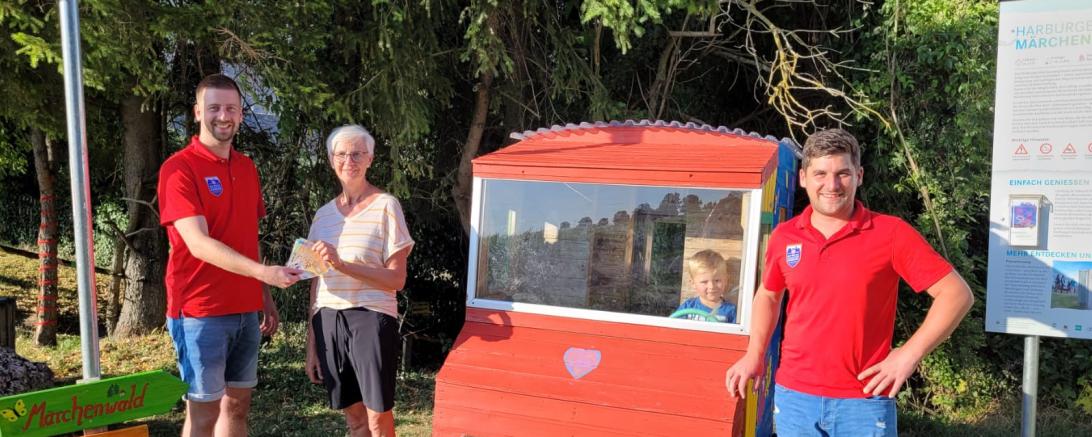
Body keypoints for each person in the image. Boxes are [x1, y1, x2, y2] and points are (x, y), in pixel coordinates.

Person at [724, 129, 973, 436]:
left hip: (864, 400)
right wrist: (754, 355)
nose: (832, 185)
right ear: (803, 178)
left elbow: (956, 294)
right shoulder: (784, 236)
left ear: (859, 176)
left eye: (842, 173)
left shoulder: (891, 233)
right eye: (820, 174)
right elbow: (769, 295)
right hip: (795, 397)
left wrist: (908, 355)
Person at [158, 73, 303, 436]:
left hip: (245, 309)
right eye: (214, 108)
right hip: (200, 311)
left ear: (240, 115)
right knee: (203, 413)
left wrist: (264, 296)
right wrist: (265, 274)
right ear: (197, 112)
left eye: (231, 108)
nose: (223, 116)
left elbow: (249, 238)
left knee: (237, 409)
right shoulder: (178, 168)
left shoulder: (246, 167)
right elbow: (198, 243)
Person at [304, 125, 414, 437]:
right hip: (328, 320)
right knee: (354, 420)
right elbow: (315, 283)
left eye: (357, 154)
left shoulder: (386, 206)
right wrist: (312, 345)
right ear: (331, 160)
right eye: (341, 154)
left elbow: (397, 279)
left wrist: (342, 264)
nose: (348, 160)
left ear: (370, 159)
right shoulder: (322, 216)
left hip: (371, 317)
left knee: (378, 418)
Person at [674, 250, 737, 323]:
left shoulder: (731, 310)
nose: (712, 286)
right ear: (693, 283)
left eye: (717, 280)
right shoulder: (688, 306)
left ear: (726, 280)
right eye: (704, 282)